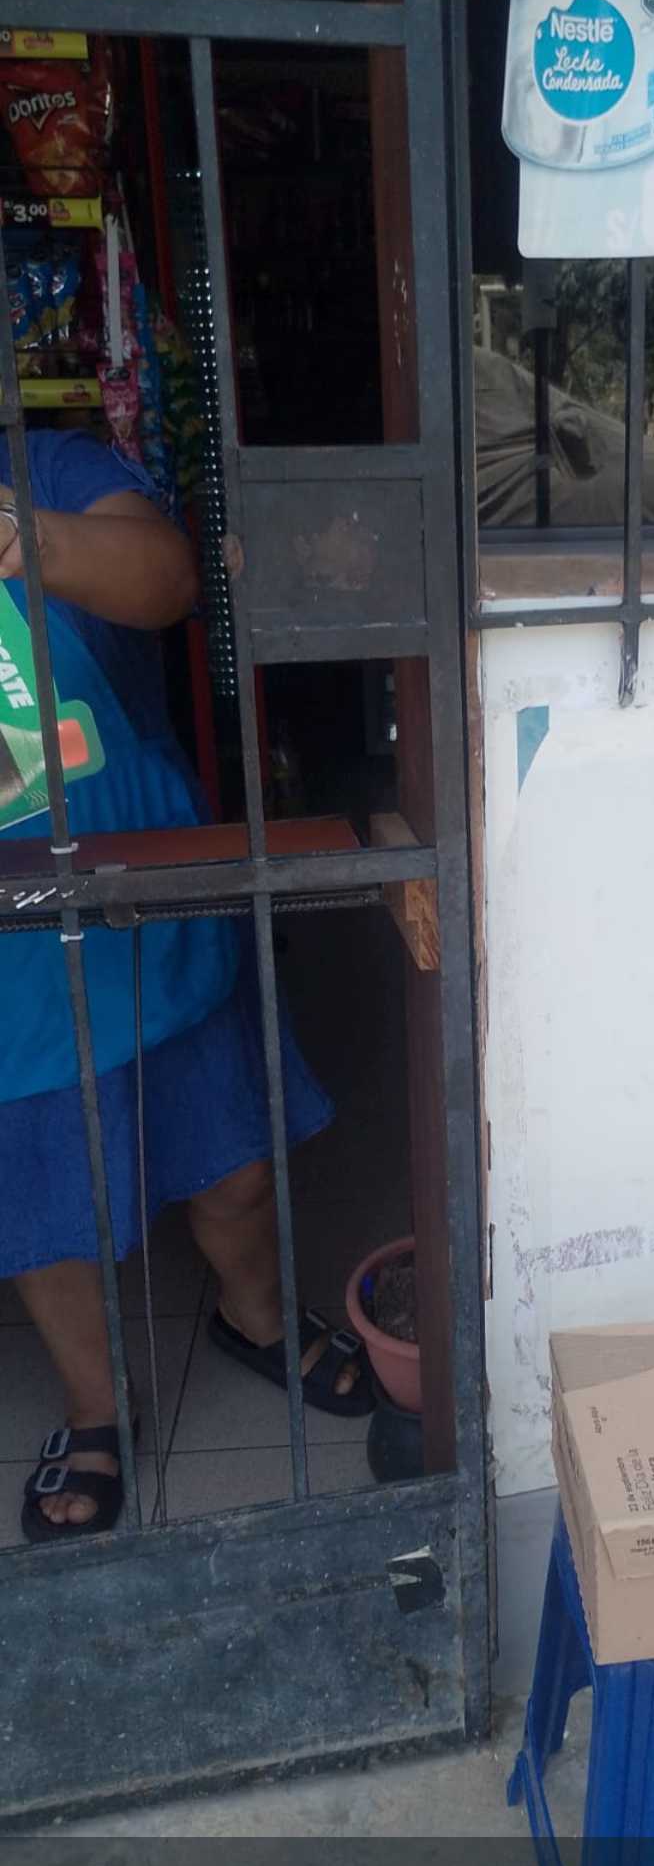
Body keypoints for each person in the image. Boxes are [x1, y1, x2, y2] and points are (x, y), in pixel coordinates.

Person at [0, 428, 370, 1544]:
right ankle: (95, 1407)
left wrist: (26, 540)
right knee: (49, 1207)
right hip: (11, 958)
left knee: (234, 1166)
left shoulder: (47, 465)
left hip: (144, 891)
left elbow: (167, 581)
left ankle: (256, 1318)